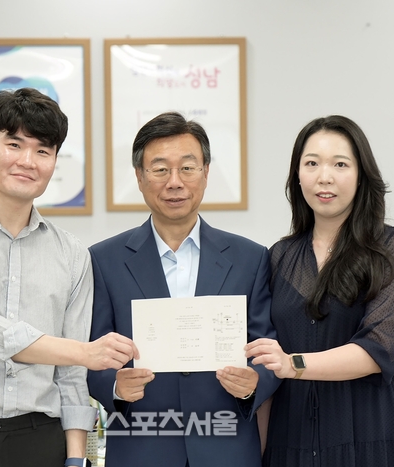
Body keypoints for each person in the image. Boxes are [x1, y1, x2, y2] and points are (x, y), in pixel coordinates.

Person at [0, 88, 137, 467]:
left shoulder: (72, 253)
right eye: (14, 144)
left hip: (41, 437)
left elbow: (70, 376)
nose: (27, 161)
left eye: (42, 151)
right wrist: (85, 352)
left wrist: (76, 458)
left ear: (54, 162)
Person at [87, 111, 279, 467]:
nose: (174, 182)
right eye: (160, 169)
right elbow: (92, 353)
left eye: (187, 168)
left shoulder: (250, 258)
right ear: (140, 177)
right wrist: (114, 386)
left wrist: (256, 381)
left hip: (227, 449)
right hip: (141, 449)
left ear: (206, 173)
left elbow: (266, 348)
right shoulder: (103, 260)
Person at [245, 115, 394, 466]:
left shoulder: (393, 249)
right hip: (293, 447)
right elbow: (267, 369)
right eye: (312, 163)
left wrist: (292, 363)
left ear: (362, 175)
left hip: (376, 443)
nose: (324, 177)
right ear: (297, 175)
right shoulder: (279, 257)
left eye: (340, 164)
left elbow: (379, 351)